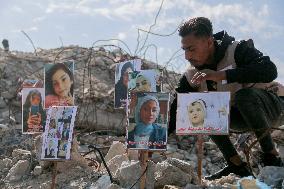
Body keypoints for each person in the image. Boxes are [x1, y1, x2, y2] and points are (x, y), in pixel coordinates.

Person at [169, 17, 284, 180]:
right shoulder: (191, 75)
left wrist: (222, 75)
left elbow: (269, 70)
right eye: (184, 50)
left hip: (273, 107)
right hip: (241, 118)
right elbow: (177, 108)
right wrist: (154, 140)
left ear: (209, 42)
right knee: (204, 109)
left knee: (244, 96)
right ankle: (236, 165)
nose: (187, 56)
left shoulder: (237, 49)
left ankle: (272, 157)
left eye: (191, 49)